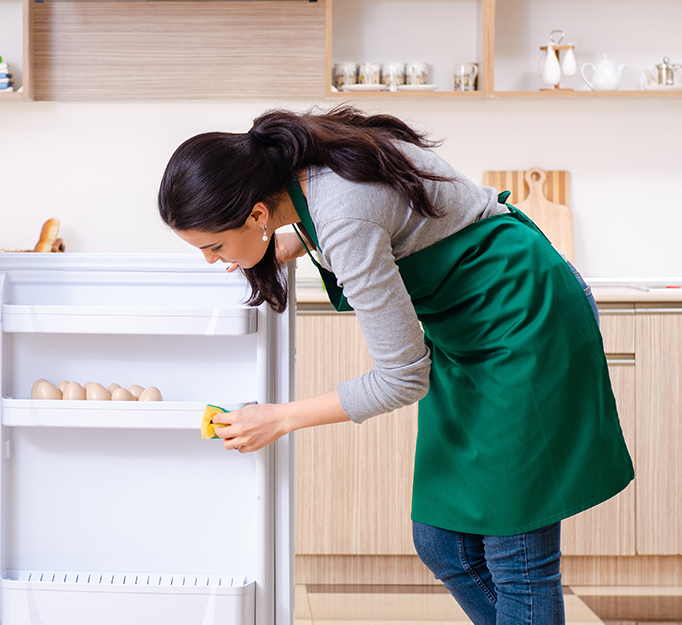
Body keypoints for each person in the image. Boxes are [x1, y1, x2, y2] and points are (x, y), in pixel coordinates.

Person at [157, 106, 634, 624]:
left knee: (515, 557)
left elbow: (402, 377)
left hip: (525, 325)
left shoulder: (342, 215)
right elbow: (364, 220)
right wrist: (286, 246)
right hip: (470, 330)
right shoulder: (305, 172)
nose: (212, 260)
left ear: (256, 215)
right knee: (444, 543)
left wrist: (280, 417)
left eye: (214, 246)